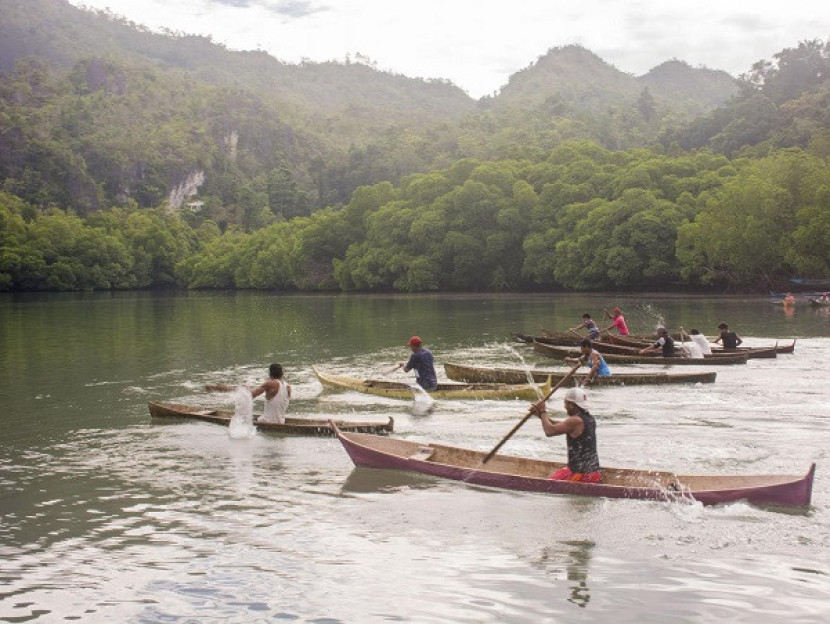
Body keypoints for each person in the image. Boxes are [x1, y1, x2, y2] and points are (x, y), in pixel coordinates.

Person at [530, 386, 601, 483]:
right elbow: (561, 425)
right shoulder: (589, 419)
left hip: (582, 475)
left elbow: (549, 431)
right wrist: (539, 415)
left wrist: (543, 411)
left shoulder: (575, 420)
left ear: (572, 405)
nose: (564, 407)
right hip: (593, 472)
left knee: (548, 484)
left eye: (566, 404)